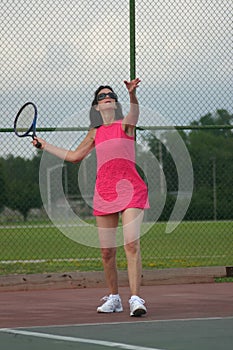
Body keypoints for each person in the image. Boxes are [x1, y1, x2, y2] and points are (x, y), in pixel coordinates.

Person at [33, 78, 149, 317]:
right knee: (107, 251)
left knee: (131, 243)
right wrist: (45, 146)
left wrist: (132, 95)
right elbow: (74, 156)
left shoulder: (125, 125)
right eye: (101, 96)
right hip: (104, 193)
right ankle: (114, 298)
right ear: (96, 106)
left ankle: (136, 299)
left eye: (110, 95)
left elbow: (134, 114)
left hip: (131, 190)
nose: (106, 97)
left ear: (115, 103)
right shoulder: (95, 133)